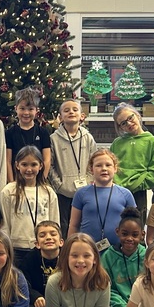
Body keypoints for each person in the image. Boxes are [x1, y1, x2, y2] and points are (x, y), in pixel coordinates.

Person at [0, 145, 59, 279]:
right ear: (17, 165)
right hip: (17, 249)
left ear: (41, 166)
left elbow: (55, 224)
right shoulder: (9, 191)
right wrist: (7, 249)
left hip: (41, 250)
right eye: (24, 164)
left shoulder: (48, 192)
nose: (29, 169)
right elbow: (5, 224)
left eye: (34, 164)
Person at [69, 148, 136, 249]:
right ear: (91, 169)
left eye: (108, 165)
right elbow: (74, 225)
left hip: (118, 251)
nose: (104, 168)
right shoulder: (81, 194)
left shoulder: (126, 194)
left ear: (115, 168)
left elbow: (135, 225)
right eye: (98, 165)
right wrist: (70, 248)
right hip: (87, 249)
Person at [49, 97, 97, 234]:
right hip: (63, 193)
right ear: (60, 117)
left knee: (84, 225)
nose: (71, 112)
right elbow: (50, 165)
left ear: (82, 116)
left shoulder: (88, 138)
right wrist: (59, 185)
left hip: (85, 191)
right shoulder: (54, 139)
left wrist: (88, 181)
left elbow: (94, 162)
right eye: (66, 110)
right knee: (64, 226)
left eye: (75, 110)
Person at [109, 102, 154, 224]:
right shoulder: (117, 143)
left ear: (137, 115)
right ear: (120, 127)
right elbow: (111, 165)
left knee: (137, 225)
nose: (129, 123)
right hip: (118, 190)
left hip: (138, 192)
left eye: (130, 118)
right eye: (123, 123)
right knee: (117, 222)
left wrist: (139, 184)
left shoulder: (152, 141)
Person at [103, 207, 146, 307]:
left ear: (142, 235)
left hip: (144, 302)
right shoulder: (108, 256)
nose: (129, 239)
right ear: (117, 232)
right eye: (125, 234)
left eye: (135, 235)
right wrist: (121, 305)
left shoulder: (147, 255)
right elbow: (106, 287)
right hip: (117, 304)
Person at [5, 87, 53, 182]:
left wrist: (41, 182)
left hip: (37, 181)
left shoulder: (43, 133)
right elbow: (7, 161)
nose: (26, 113)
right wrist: (12, 184)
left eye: (30, 109)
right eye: (22, 109)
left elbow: (47, 160)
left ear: (36, 111)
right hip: (17, 181)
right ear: (16, 109)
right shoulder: (9, 133)